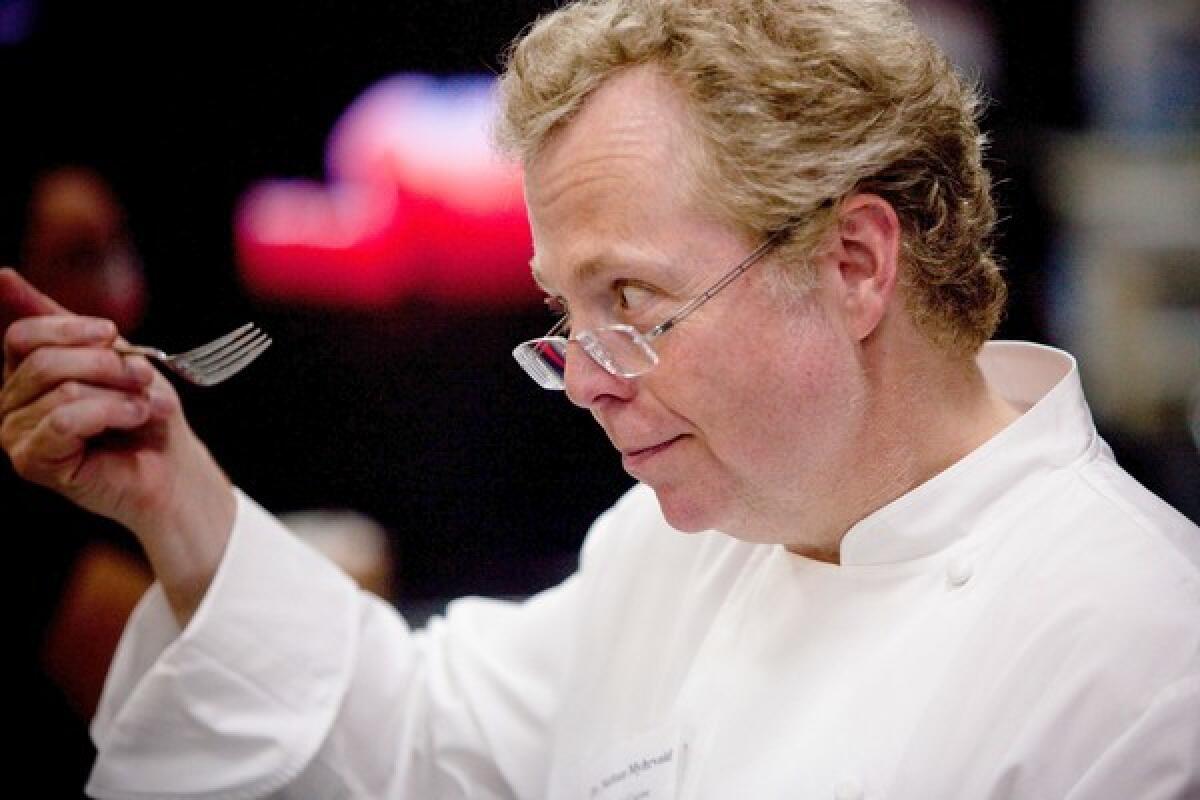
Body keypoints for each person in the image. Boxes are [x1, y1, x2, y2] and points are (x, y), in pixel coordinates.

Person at [1, 0, 1197, 797]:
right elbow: (415, 735)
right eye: (565, 315)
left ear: (855, 263)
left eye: (630, 299)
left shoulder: (1141, 654)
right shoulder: (692, 538)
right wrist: (175, 488)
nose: (581, 377)